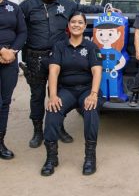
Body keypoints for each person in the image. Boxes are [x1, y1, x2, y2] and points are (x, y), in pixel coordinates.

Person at [19, 0, 105, 149]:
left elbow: (84, 8)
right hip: (35, 57)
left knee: (58, 94)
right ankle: (37, 131)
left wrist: (106, 9)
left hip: (58, 56)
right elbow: (16, 27)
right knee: (37, 95)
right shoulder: (27, 6)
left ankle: (59, 128)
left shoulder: (65, 3)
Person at [41, 12, 102, 176]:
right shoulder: (60, 46)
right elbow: (53, 72)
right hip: (66, 90)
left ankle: (90, 158)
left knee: (90, 110)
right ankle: (51, 158)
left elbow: (97, 72)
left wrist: (94, 94)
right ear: (68, 25)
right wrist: (53, 96)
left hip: (87, 90)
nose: (76, 24)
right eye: (73, 22)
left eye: (80, 22)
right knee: (52, 110)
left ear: (84, 26)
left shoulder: (91, 47)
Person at [0, 0, 27, 159]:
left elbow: (22, 32)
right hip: (3, 53)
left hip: (9, 61)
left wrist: (12, 52)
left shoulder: (13, 8)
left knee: (5, 102)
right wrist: (1, 50)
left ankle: (0, 142)